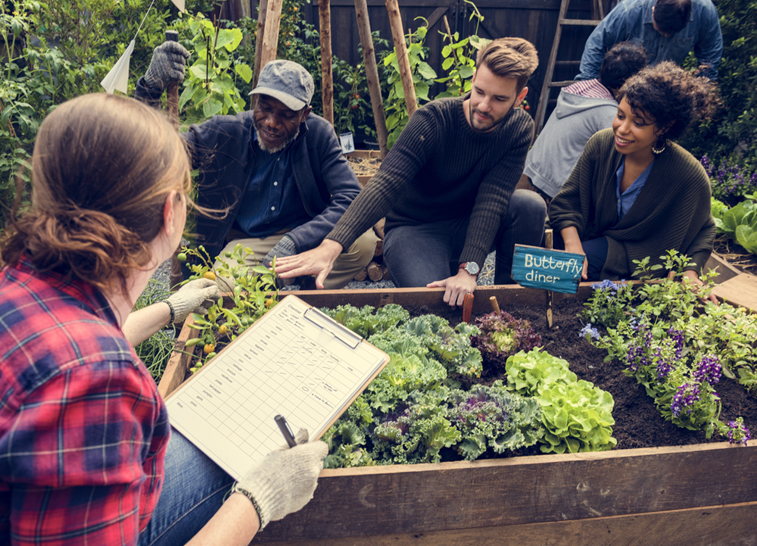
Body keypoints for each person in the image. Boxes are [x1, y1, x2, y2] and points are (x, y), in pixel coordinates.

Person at [0, 93, 327, 545]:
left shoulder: (16, 282)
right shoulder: (97, 382)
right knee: (233, 456)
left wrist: (169, 308)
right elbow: (80, 367)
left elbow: (63, 345)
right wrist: (257, 500)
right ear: (170, 214)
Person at [275, 37, 547, 307]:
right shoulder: (434, 120)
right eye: (480, 91)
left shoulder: (519, 129)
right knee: (435, 307)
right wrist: (332, 245)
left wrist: (469, 270)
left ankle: (510, 304)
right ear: (474, 78)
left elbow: (493, 199)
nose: (484, 106)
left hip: (465, 225)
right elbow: (385, 184)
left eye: (499, 99)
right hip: (415, 231)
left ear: (520, 97)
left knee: (529, 205)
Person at [136, 51, 377, 289]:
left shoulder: (318, 135)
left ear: (305, 114)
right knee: (218, 288)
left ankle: (299, 287)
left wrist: (296, 240)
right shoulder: (225, 133)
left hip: (304, 235)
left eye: (286, 115)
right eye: (265, 107)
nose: (271, 122)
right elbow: (158, 155)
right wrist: (150, 89)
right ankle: (275, 287)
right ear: (256, 100)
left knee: (363, 243)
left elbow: (351, 197)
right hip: (246, 245)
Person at [549, 62, 719, 298]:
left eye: (638, 123)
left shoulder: (688, 173)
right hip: (589, 238)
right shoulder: (601, 143)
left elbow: (705, 230)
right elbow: (567, 203)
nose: (622, 129)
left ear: (664, 127)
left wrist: (690, 273)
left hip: (638, 257)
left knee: (567, 272)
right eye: (620, 115)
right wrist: (572, 246)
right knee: (546, 257)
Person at [521, 42, 647, 201]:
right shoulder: (608, 113)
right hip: (556, 187)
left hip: (535, 168)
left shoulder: (580, 89)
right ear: (628, 81)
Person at [576, 0, 722, 81]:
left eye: (671, 33)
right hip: (621, 86)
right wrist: (588, 86)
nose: (666, 36)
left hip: (662, 91)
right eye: (661, 29)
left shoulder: (705, 12)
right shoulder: (629, 11)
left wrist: (701, 90)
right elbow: (596, 45)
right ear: (653, 10)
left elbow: (709, 57)